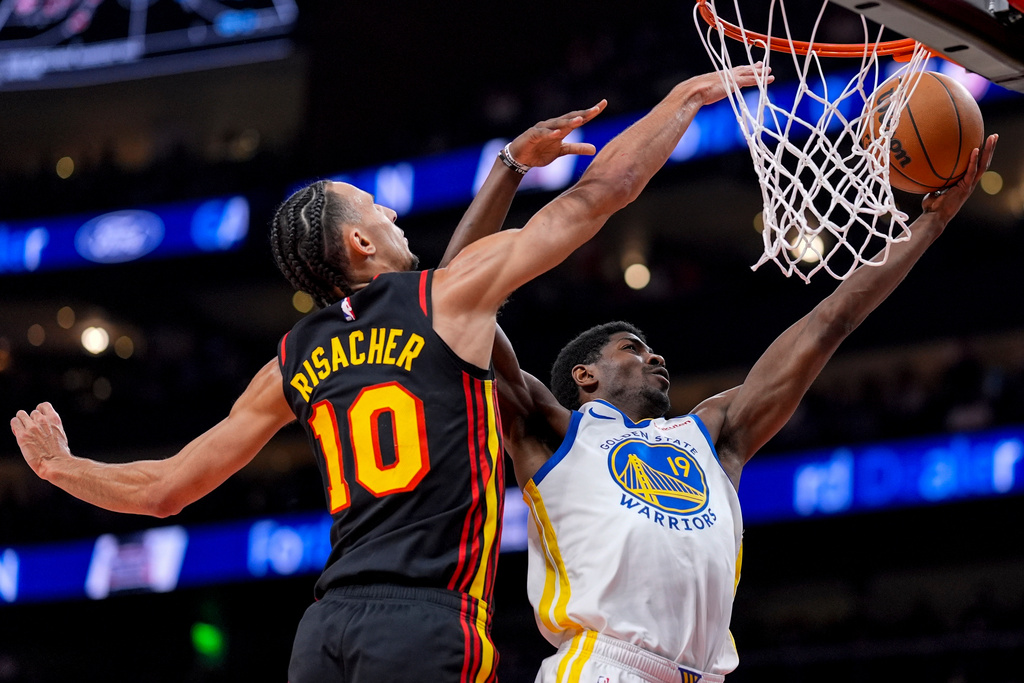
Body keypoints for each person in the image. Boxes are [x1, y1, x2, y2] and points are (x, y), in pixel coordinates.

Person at [9, 64, 768, 683]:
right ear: (359, 243)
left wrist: (62, 468)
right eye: (376, 207)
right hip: (425, 622)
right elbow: (601, 195)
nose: (391, 213)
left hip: (326, 630)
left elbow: (168, 488)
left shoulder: (294, 355)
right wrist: (682, 99)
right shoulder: (444, 299)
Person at [481, 131, 999, 683]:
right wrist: (509, 168)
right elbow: (463, 304)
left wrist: (930, 225)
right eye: (631, 348)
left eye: (652, 347)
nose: (654, 355)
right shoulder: (553, 432)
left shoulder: (710, 433)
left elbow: (829, 324)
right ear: (584, 376)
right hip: (603, 665)